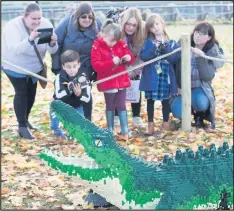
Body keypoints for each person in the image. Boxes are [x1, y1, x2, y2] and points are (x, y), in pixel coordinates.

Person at [2, 3, 58, 140]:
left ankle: (26, 120)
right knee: (21, 92)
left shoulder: (46, 24)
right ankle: (22, 126)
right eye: (34, 19)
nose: (37, 22)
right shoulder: (12, 26)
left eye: (39, 18)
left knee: (31, 93)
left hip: (34, 67)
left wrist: (52, 43)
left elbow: (52, 51)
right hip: (15, 66)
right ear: (25, 16)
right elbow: (14, 50)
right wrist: (30, 39)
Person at [170, 21, 225, 132]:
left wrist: (201, 58)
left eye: (202, 34)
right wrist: (177, 86)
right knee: (178, 110)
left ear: (209, 37)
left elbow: (207, 76)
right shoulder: (184, 44)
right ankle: (185, 117)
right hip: (182, 88)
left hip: (200, 87)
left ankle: (199, 116)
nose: (198, 36)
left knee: (201, 103)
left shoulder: (211, 50)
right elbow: (172, 65)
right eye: (197, 32)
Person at [51, 2, 101, 121]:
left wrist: (97, 71)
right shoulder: (66, 24)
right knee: (66, 93)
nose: (87, 20)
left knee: (84, 93)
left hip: (86, 67)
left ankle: (87, 120)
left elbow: (102, 46)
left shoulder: (97, 25)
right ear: (77, 16)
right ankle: (66, 120)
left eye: (90, 17)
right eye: (83, 17)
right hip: (68, 66)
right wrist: (57, 67)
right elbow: (56, 45)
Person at [91, 19, 135, 139]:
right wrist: (111, 62)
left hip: (121, 79)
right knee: (110, 105)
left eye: (116, 41)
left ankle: (124, 128)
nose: (114, 43)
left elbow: (130, 57)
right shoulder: (97, 46)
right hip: (108, 81)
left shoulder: (121, 43)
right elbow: (96, 65)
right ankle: (110, 128)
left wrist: (128, 57)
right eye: (111, 41)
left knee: (121, 104)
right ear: (104, 35)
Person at [139, 13, 180, 136]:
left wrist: (165, 48)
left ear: (162, 24)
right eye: (152, 26)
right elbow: (144, 56)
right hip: (152, 76)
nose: (155, 27)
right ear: (149, 29)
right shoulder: (148, 43)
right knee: (150, 100)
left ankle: (166, 124)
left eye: (157, 24)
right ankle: (150, 125)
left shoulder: (171, 42)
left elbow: (174, 58)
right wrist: (154, 48)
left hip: (165, 76)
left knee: (165, 100)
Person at [112, 7, 145, 129]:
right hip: (119, 67)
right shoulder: (116, 33)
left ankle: (136, 116)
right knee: (116, 89)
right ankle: (115, 115)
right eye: (128, 24)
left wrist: (134, 69)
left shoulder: (143, 35)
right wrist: (124, 69)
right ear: (123, 23)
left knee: (135, 88)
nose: (130, 27)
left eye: (134, 25)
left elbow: (144, 56)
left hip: (136, 66)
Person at [50, 50, 91, 139]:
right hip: (61, 105)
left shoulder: (83, 78)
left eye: (74, 66)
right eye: (68, 67)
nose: (72, 70)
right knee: (54, 111)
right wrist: (69, 89)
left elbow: (87, 98)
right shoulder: (59, 77)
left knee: (79, 126)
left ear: (79, 65)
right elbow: (58, 94)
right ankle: (56, 129)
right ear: (63, 67)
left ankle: (74, 131)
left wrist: (79, 94)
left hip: (76, 106)